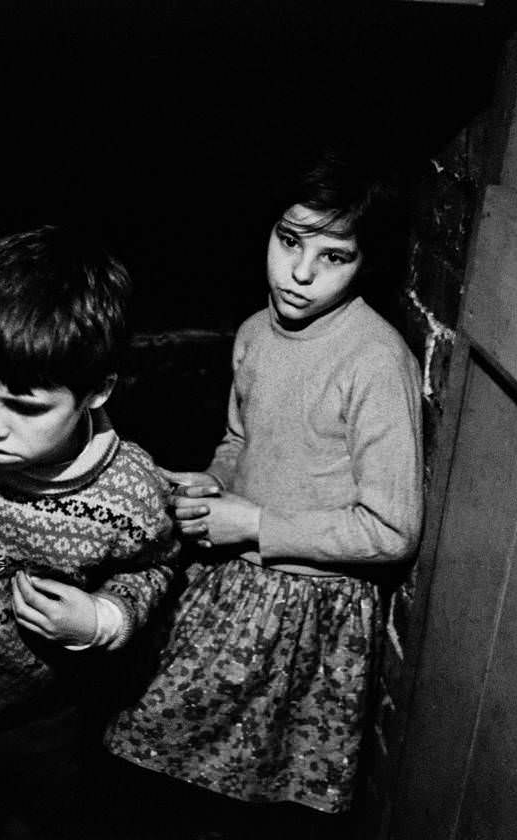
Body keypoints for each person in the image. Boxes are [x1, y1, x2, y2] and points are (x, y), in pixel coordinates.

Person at [104, 150, 425, 838]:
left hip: (304, 609)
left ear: (365, 262)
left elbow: (392, 530)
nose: (301, 274)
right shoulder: (252, 334)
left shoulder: (375, 361)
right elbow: (238, 440)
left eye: (333, 256)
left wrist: (254, 524)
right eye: (289, 242)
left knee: (241, 799)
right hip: (229, 581)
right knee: (152, 749)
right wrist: (212, 481)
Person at [0, 226, 179, 840]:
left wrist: (103, 619)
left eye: (27, 408)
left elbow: (158, 566)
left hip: (44, 713)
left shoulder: (129, 491)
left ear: (97, 391)